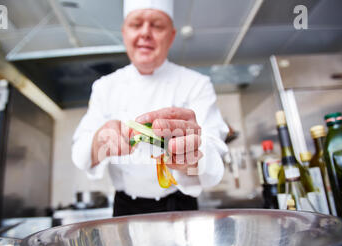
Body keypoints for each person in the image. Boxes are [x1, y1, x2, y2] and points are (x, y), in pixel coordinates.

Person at [72, 0, 229, 217]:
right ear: (124, 32)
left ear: (171, 36)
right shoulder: (104, 87)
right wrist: (99, 139)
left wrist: (193, 154)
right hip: (125, 207)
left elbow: (215, 152)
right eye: (136, 24)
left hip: (180, 204)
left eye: (157, 25)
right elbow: (80, 152)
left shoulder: (196, 84)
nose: (145, 33)